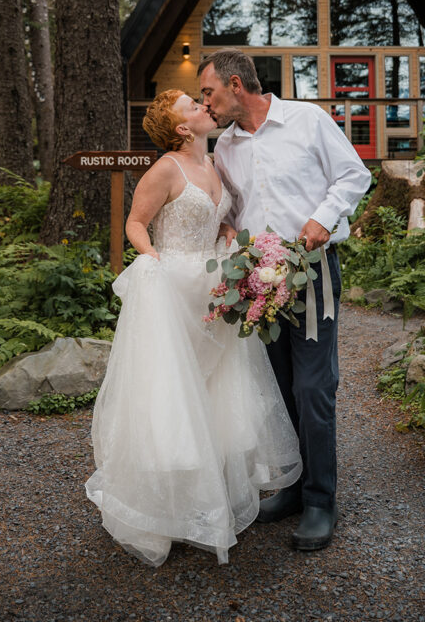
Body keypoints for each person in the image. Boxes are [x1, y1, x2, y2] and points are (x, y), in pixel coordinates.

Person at [85, 89, 301, 566]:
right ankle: (168, 505)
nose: (204, 107)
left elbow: (219, 216)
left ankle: (209, 498)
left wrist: (226, 233)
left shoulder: (216, 164)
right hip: (174, 291)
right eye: (193, 106)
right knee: (173, 397)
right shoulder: (166, 168)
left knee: (216, 392)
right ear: (182, 128)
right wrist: (152, 259)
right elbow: (136, 223)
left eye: (200, 103)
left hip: (213, 290)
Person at [198, 51, 371, 552]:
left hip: (312, 273)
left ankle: (321, 500)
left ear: (236, 85)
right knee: (280, 387)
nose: (205, 103)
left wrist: (322, 218)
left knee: (314, 388)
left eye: (209, 92)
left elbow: (353, 176)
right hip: (259, 282)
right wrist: (228, 225)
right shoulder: (226, 147)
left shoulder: (307, 119)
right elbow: (234, 205)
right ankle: (295, 486)